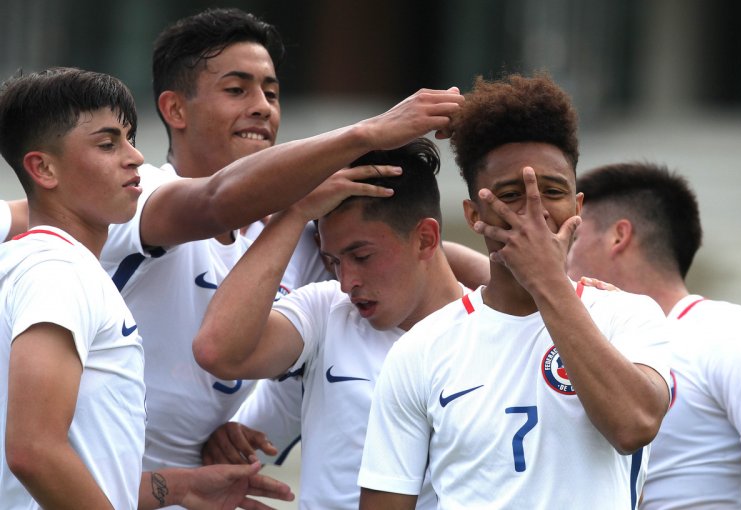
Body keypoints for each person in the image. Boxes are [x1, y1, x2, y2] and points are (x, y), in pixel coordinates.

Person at [90, 7, 463, 474]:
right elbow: (215, 200)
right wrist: (366, 132)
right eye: (236, 89)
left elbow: (426, 254)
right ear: (174, 109)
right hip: (95, 485)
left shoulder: (298, 233)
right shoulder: (139, 192)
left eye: (271, 92)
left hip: (203, 495)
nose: (262, 106)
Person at [356, 73, 672, 509]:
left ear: (578, 208)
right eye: (510, 194)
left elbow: (633, 425)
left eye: (553, 191)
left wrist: (548, 283)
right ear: (472, 214)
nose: (535, 212)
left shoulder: (630, 316)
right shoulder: (423, 348)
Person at [0, 67, 294, 510]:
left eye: (130, 138)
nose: (134, 157)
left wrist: (182, 488)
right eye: (107, 144)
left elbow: (82, 471)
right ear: (43, 168)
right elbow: (34, 452)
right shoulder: (57, 269)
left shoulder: (53, 265)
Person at [193, 138, 465, 509]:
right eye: (333, 260)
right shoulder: (325, 309)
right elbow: (216, 349)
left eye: (361, 255)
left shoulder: (489, 332)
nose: (346, 281)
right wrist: (296, 211)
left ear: (426, 239)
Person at [566, 162, 741, 509]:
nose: (562, 260)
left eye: (573, 240)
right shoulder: (601, 348)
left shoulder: (730, 334)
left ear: (619, 236)